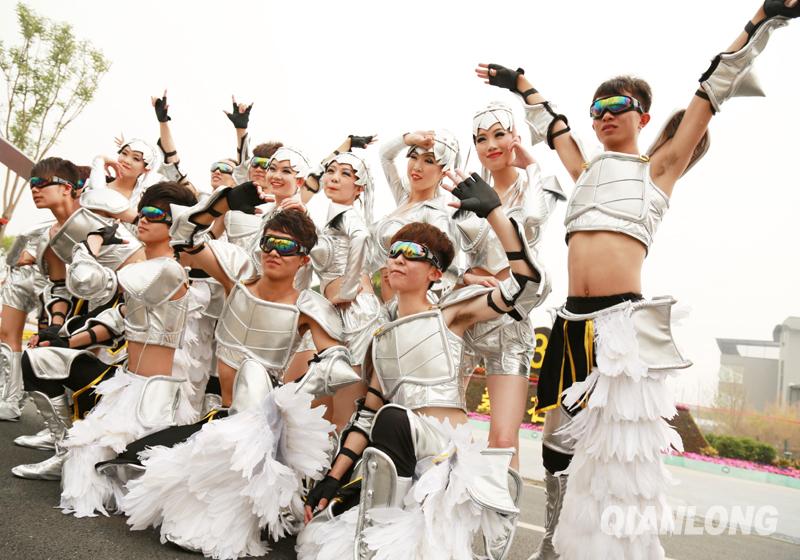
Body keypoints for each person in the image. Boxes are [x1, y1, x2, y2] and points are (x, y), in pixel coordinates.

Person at [478, 2, 800, 557]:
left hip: (620, 329)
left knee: (621, 460)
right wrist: (521, 83)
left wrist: (762, 18)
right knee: (556, 449)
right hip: (571, 324)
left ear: (643, 118)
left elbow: (713, 86)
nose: (603, 116)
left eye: (617, 106)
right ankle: (553, 543)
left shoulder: (659, 169)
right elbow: (552, 126)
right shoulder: (583, 171)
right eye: (597, 109)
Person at [299, 170, 549, 560]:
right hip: (394, 454)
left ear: (435, 273)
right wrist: (332, 480)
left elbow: (526, 285)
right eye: (394, 253)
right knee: (327, 522)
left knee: (393, 419)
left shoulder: (452, 314)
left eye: (413, 254)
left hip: (445, 457)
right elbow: (367, 416)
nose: (399, 259)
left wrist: (495, 214)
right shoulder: (382, 338)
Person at [120, 205, 361, 558]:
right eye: (269, 243)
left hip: (261, 423)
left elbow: (337, 363)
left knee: (252, 380)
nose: (274, 252)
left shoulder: (307, 306)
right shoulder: (238, 278)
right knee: (141, 473)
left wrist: (296, 392)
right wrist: (223, 203)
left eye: (287, 247)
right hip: (221, 413)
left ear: (304, 260)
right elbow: (186, 237)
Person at [22, 182, 199, 515]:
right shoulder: (149, 269)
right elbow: (120, 317)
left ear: (175, 223)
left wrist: (89, 243)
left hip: (154, 400)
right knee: (41, 362)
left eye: (155, 213)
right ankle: (60, 448)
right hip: (124, 385)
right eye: (143, 211)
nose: (143, 219)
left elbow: (88, 282)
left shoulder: (169, 270)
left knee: (105, 477)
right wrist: (64, 341)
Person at [458, 101, 564, 471]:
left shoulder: (540, 186)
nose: (490, 145)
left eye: (499, 134)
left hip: (510, 321)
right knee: (443, 427)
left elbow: (532, 221)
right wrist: (468, 277)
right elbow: (452, 257)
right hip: (465, 317)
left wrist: (531, 167)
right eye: (481, 139)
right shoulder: (467, 192)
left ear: (515, 137)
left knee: (503, 441)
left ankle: (500, 510)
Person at [307, 143, 384, 430]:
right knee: (326, 411)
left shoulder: (347, 214)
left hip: (355, 312)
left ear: (359, 188)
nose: (334, 178)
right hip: (340, 313)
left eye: (345, 174)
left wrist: (348, 290)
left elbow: (361, 237)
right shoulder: (332, 216)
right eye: (331, 171)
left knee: (345, 411)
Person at [370, 130, 461, 302]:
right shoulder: (403, 199)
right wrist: (408, 138)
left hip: (407, 307)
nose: (417, 167)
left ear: (444, 172)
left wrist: (464, 277)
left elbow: (447, 266)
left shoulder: (435, 214)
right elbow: (385, 155)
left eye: (429, 161)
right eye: (413, 157)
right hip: (384, 306)